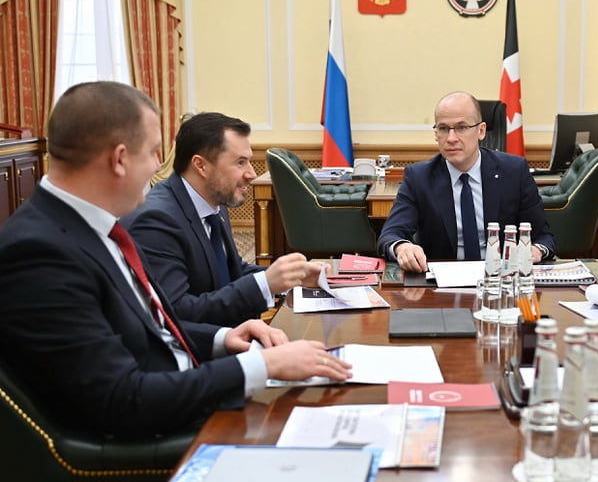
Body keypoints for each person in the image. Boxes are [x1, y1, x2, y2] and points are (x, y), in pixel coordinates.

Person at [0, 82, 351, 440]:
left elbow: (148, 328)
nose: (159, 166)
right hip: (157, 439)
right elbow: (121, 400)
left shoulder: (87, 225)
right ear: (119, 159)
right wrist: (261, 366)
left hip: (185, 394)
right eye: (153, 152)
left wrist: (222, 338)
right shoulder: (39, 252)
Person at [122, 112, 324, 326]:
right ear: (201, 166)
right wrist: (265, 284)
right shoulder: (156, 221)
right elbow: (177, 313)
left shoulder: (213, 200)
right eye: (240, 162)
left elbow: (230, 271)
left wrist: (292, 278)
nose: (251, 174)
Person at [377, 91, 555, 272]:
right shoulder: (419, 177)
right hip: (441, 282)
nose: (451, 138)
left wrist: (535, 250)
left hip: (502, 278)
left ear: (481, 131)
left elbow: (543, 237)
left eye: (461, 127)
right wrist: (402, 247)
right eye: (443, 128)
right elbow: (390, 235)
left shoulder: (514, 171)